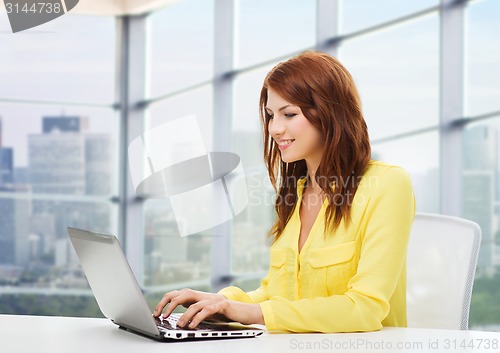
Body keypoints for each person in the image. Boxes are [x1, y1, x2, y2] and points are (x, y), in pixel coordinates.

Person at [153, 51, 416, 333]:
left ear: (330, 113)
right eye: (270, 115)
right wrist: (220, 303)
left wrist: (250, 312)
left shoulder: (388, 184)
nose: (275, 128)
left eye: (289, 114)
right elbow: (277, 296)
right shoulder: (296, 193)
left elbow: (365, 308)